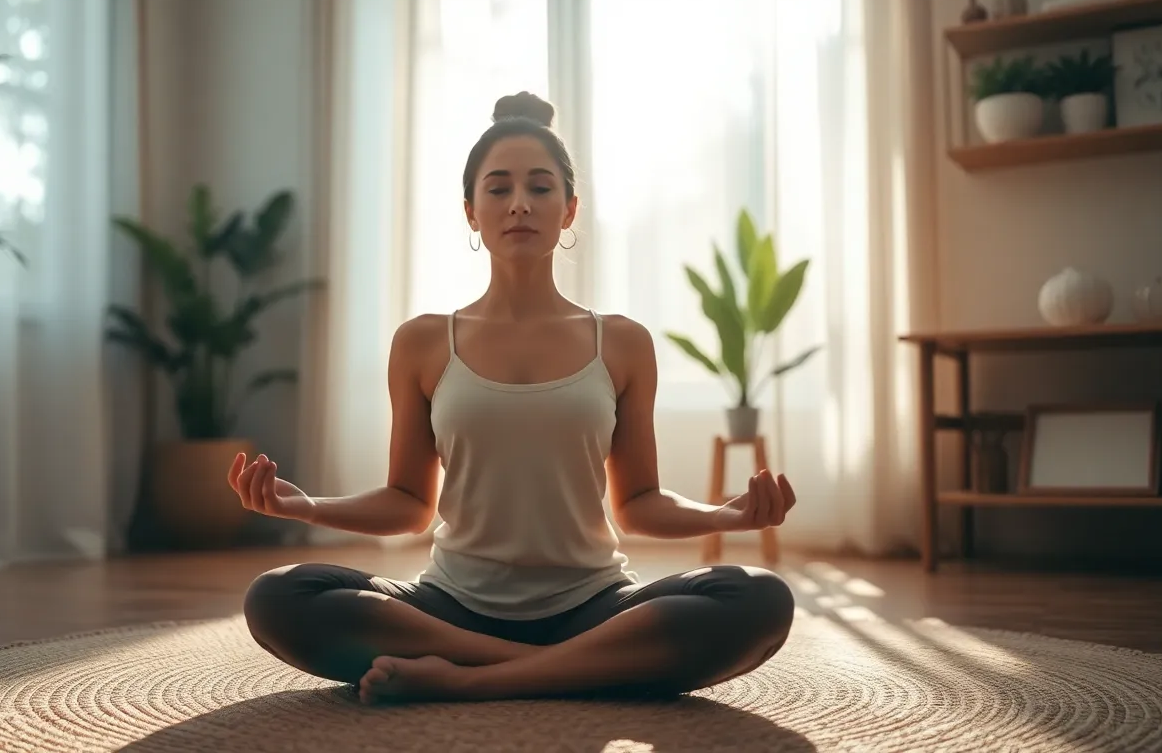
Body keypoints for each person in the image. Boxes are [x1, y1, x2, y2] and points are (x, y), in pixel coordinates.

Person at [228, 92, 797, 705]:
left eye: (541, 188)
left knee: (758, 597)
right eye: (498, 189)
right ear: (471, 212)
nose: (520, 204)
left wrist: (727, 517)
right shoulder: (422, 342)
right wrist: (308, 506)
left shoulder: (623, 343)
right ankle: (573, 670)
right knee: (279, 595)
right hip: (452, 609)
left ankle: (473, 679)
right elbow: (409, 503)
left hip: (593, 604)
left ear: (570, 209)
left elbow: (638, 503)